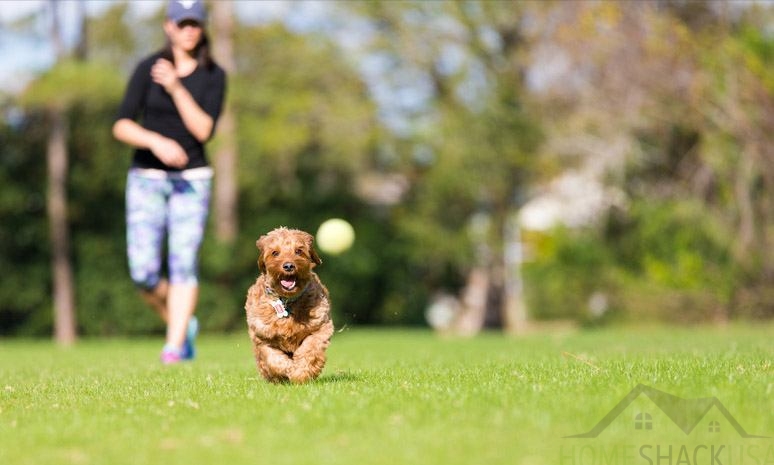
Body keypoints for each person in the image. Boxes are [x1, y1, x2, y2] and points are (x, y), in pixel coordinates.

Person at [112, 0, 226, 364]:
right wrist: (155, 141)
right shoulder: (147, 68)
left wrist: (177, 88)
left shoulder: (214, 75)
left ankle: (174, 347)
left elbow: (204, 130)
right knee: (144, 273)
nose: (188, 30)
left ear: (203, 27)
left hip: (192, 180)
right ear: (168, 26)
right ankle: (182, 324)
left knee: (183, 264)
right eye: (182, 23)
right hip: (146, 178)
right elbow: (122, 124)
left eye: (195, 23)